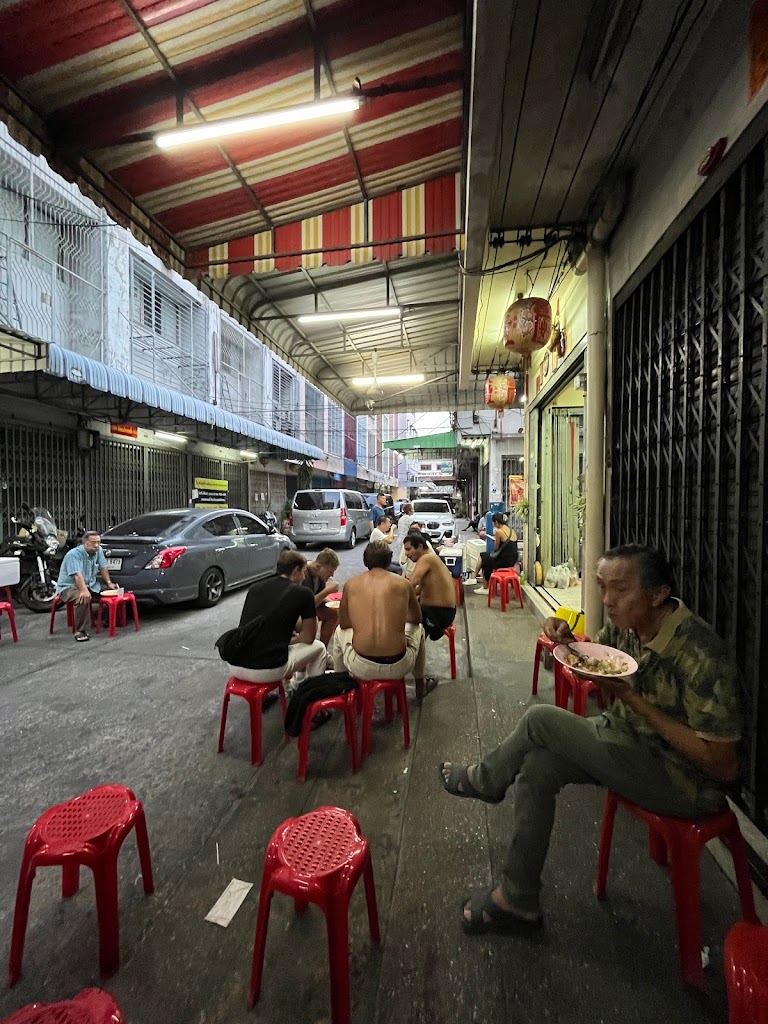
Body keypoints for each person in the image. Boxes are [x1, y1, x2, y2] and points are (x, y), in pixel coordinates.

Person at [438, 544, 743, 935]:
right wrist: (565, 640)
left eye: (620, 589)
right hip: (624, 743)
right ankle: (518, 899)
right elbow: (591, 665)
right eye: (602, 587)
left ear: (658, 593)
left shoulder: (700, 653)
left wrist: (632, 699)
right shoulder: (625, 627)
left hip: (682, 782)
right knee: (538, 767)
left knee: (539, 719)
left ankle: (485, 779)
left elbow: (723, 764)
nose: (608, 601)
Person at [332, 540, 429, 700]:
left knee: (339, 633)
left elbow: (344, 623)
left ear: (365, 561)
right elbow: (416, 619)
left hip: (360, 665)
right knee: (419, 629)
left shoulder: (351, 584)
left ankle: (340, 685)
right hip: (399, 665)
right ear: (389, 560)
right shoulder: (404, 584)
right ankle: (420, 681)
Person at [227, 549, 326, 697]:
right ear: (296, 570)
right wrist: (290, 641)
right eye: (303, 572)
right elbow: (309, 637)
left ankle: (293, 687)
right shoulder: (303, 593)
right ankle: (311, 700)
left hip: (235, 662)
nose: (304, 576)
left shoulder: (255, 588)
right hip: (264, 669)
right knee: (319, 648)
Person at [54, 531, 117, 642]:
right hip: (69, 587)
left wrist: (109, 583)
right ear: (84, 543)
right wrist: (83, 590)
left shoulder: (99, 551)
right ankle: (80, 630)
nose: (96, 545)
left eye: (98, 542)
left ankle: (108, 621)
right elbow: (77, 575)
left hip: (90, 584)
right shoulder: (74, 554)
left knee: (112, 593)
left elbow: (103, 568)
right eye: (92, 543)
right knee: (82, 598)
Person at [403, 532, 457, 642]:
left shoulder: (427, 558)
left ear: (420, 547)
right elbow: (418, 589)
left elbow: (411, 583)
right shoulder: (430, 560)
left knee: (397, 619)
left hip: (438, 614)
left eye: (408, 549)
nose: (406, 554)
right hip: (440, 612)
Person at [468, 513, 517, 594]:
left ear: (497, 522)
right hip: (512, 560)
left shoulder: (499, 532)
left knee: (484, 557)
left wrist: (495, 540)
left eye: (494, 523)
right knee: (485, 556)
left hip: (503, 561)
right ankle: (474, 577)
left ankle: (483, 585)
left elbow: (496, 548)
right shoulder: (511, 530)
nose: (494, 525)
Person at [303, 548, 340, 647]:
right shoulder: (304, 576)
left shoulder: (319, 576)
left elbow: (318, 597)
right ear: (319, 566)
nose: (332, 575)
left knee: (333, 613)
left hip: (310, 606)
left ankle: (323, 648)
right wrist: (327, 591)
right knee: (312, 620)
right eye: (329, 571)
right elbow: (308, 605)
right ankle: (311, 648)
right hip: (299, 612)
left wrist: (332, 603)